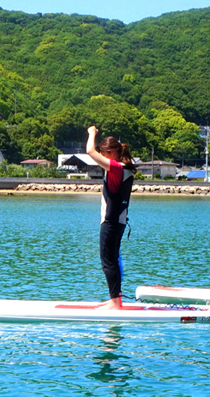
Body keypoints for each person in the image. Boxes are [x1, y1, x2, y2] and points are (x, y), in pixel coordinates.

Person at [86, 125, 136, 309]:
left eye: (105, 154)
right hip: (119, 221)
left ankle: (115, 302)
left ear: (113, 153)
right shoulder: (125, 168)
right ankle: (116, 299)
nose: (103, 158)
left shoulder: (116, 168)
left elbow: (89, 150)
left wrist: (92, 133)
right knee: (112, 260)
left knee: (107, 262)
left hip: (111, 222)